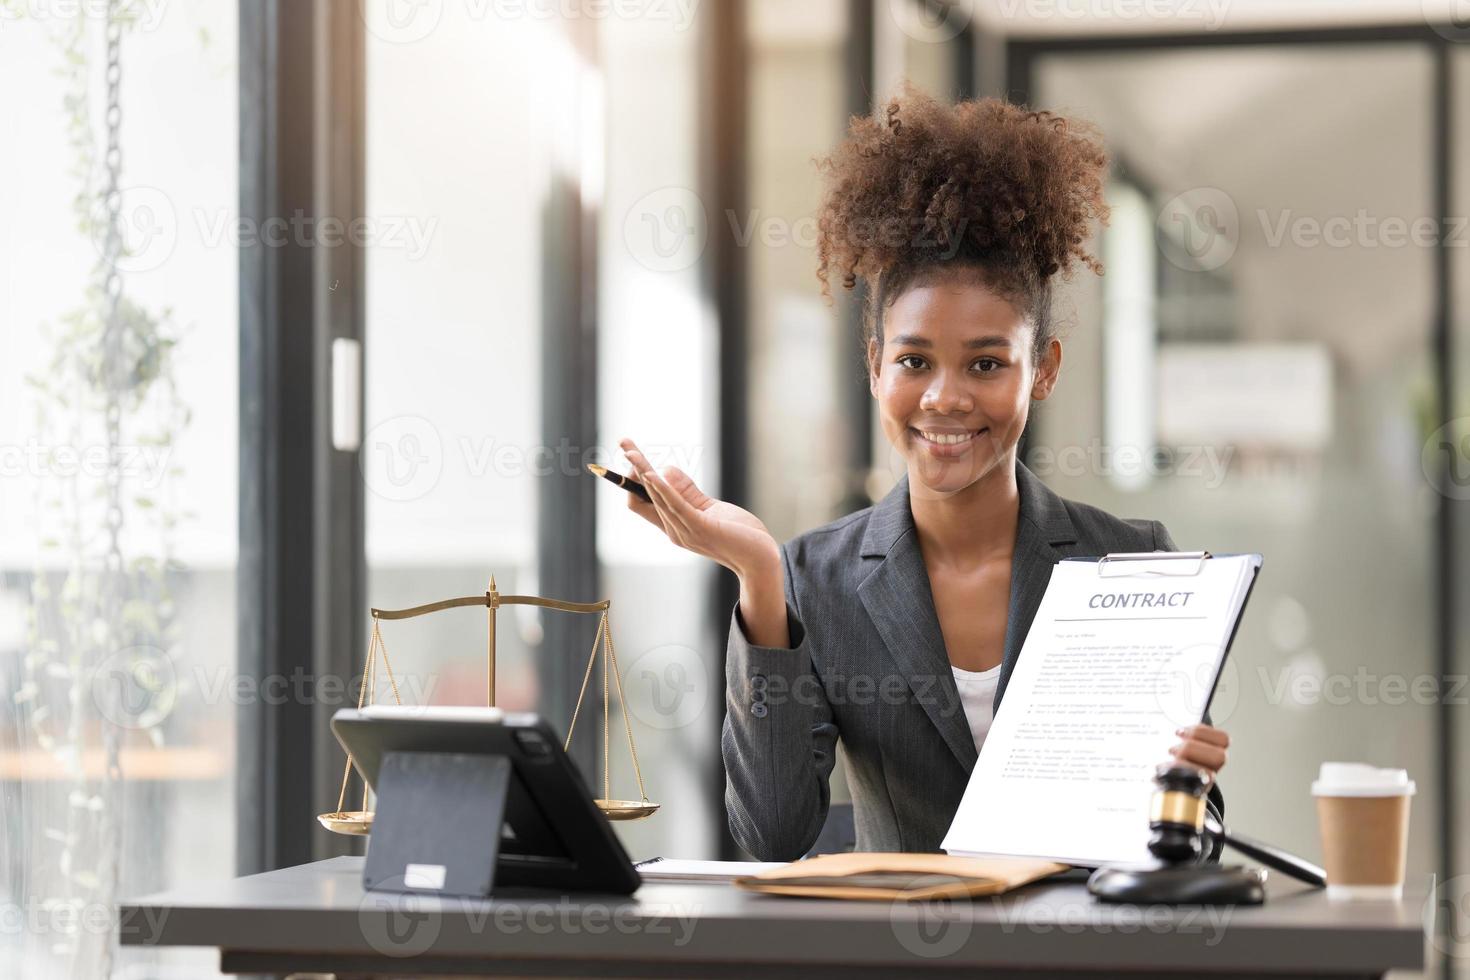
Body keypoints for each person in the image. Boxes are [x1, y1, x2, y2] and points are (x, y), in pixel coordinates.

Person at [618, 87, 1228, 862]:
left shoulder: (1133, 563)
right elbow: (772, 838)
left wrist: (1190, 793)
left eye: (986, 362)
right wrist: (759, 578)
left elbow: (1190, 845)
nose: (944, 397)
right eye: (914, 360)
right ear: (874, 367)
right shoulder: (815, 578)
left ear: (1042, 370)